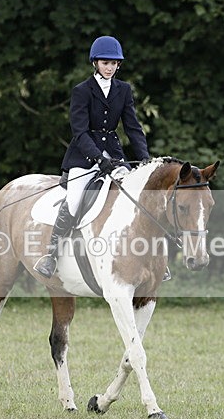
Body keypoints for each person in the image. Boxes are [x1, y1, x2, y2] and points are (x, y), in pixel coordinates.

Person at [34, 35, 151, 278]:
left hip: (114, 156)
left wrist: (144, 158)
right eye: (105, 63)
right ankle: (51, 255)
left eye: (114, 63)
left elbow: (132, 127)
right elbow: (79, 131)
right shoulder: (81, 91)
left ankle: (151, 259)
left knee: (134, 197)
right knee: (75, 199)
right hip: (84, 157)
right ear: (95, 63)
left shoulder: (124, 90)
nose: (110, 67)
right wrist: (98, 157)